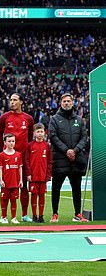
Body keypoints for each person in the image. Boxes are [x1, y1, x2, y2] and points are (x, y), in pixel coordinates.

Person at [48, 93, 88, 222]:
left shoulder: (79, 120)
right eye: (64, 101)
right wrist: (67, 151)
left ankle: (78, 213)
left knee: (76, 188)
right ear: (61, 103)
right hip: (60, 159)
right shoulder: (54, 119)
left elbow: (84, 138)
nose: (66, 103)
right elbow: (53, 137)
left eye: (69, 101)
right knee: (56, 188)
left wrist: (75, 151)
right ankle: (55, 214)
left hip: (76, 160)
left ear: (73, 103)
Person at [0, 92, 34, 222]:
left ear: (21, 102)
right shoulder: (4, 117)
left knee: (24, 186)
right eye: (11, 100)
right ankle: (4, 216)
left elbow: (29, 139)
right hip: (8, 159)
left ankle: (24, 215)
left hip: (22, 159)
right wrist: (5, 151)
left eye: (15, 100)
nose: (12, 102)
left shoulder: (28, 118)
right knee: (6, 187)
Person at [25, 123, 52, 223]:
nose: (40, 134)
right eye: (38, 132)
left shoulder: (47, 146)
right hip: (33, 176)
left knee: (42, 196)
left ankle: (41, 215)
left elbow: (49, 161)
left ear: (44, 133)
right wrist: (28, 173)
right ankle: (34, 215)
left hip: (43, 176)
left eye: (41, 132)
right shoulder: (30, 145)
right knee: (34, 195)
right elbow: (26, 160)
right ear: (34, 133)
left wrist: (48, 175)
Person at [0, 133, 22, 224]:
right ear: (5, 142)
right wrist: (1, 180)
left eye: (13, 141)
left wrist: (21, 180)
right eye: (9, 141)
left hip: (15, 182)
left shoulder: (18, 155)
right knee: (4, 200)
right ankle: (4, 217)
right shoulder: (1, 155)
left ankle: (14, 217)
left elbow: (20, 167)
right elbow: (0, 168)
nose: (11, 143)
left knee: (14, 200)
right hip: (6, 182)